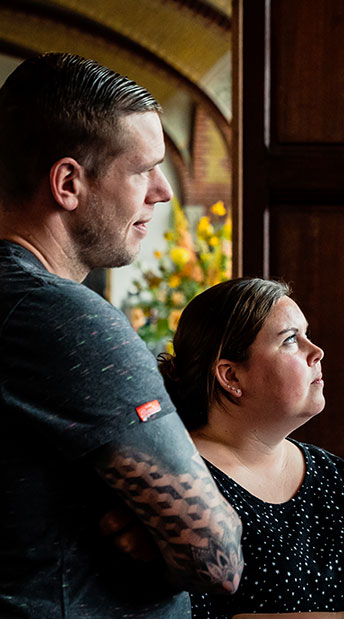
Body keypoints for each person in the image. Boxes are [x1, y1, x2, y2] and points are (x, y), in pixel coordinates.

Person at [0, 53, 244, 617]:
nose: (162, 191)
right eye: (143, 169)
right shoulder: (62, 318)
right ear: (68, 183)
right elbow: (216, 556)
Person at [158, 278, 344, 619]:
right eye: (290, 339)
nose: (317, 351)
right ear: (231, 377)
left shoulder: (332, 472)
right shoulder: (181, 481)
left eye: (306, 334)